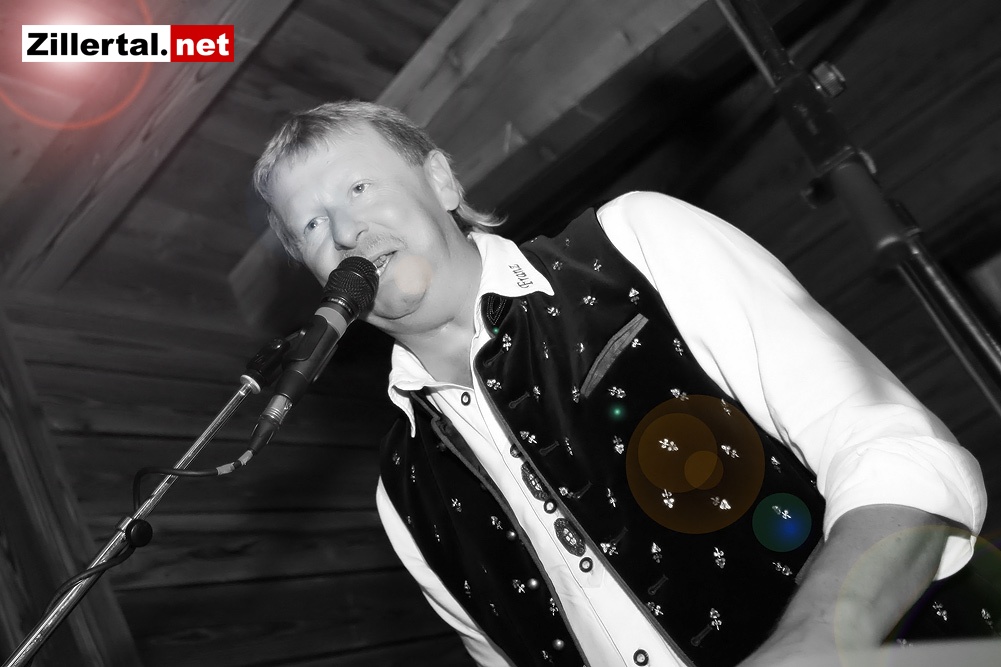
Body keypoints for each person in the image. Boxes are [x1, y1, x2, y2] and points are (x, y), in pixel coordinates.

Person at [253, 100, 987, 667]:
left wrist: (817, 639)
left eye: (359, 187)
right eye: (312, 226)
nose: (344, 232)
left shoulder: (636, 241)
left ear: (441, 180)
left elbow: (900, 454)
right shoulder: (400, 493)